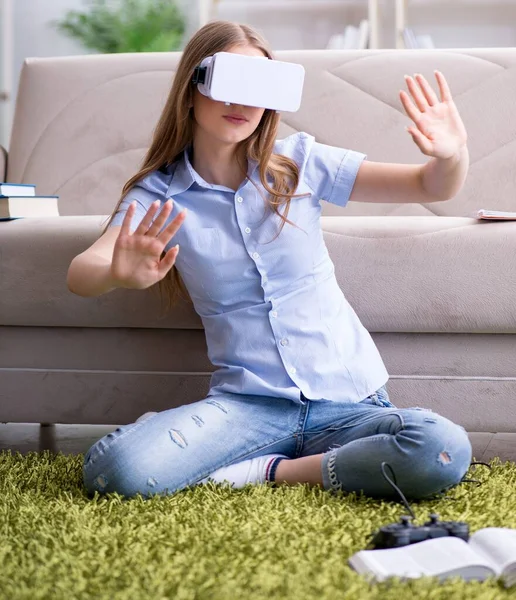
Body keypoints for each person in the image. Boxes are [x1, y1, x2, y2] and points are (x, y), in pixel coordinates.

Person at [67, 20, 472, 500]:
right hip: (246, 408)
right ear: (192, 88)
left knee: (441, 447)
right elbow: (80, 273)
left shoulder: (300, 162)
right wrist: (116, 271)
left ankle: (267, 471)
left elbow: (431, 186)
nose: (242, 104)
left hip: (352, 404)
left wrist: (451, 155)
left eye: (258, 89)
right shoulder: (158, 193)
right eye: (230, 85)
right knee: (116, 472)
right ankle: (215, 446)